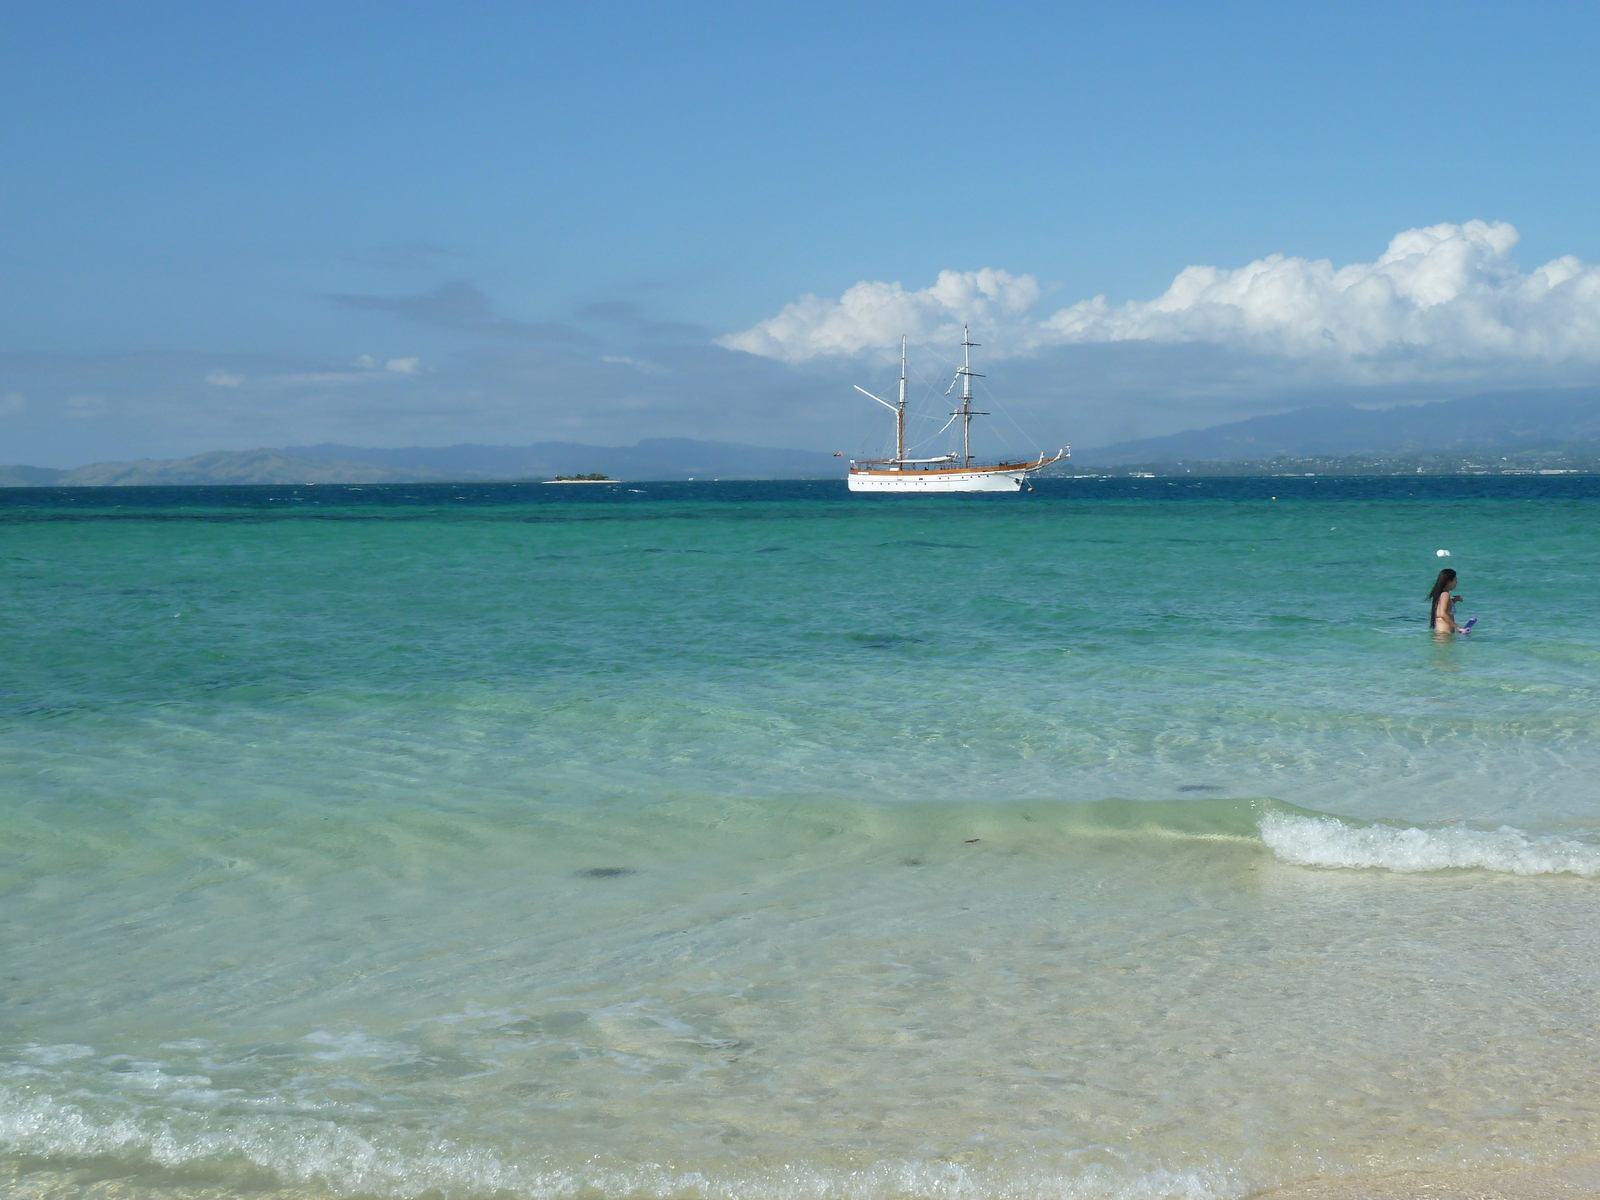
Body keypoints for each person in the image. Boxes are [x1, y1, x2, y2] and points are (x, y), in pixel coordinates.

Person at [1429, 568, 1465, 633]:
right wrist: (1458, 627)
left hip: (1442, 634)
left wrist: (1454, 600)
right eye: (1455, 580)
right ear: (1449, 581)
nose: (1456, 582)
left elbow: (1445, 606)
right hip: (1445, 635)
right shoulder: (1445, 594)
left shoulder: (1441, 594)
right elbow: (1442, 614)